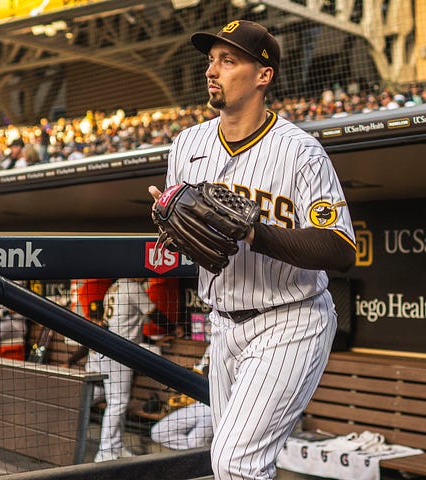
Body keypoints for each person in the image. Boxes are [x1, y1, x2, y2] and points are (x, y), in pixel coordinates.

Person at [148, 20, 356, 479]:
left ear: (263, 75)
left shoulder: (301, 151)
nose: (212, 70)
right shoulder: (187, 144)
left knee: (235, 462)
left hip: (291, 320)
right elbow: (194, 243)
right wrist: (172, 222)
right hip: (222, 326)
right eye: (210, 61)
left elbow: (341, 250)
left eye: (228, 60)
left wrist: (254, 232)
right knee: (234, 467)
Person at [85, 277, 175, 463]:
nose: (146, 275)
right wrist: (175, 329)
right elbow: (154, 314)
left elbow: (125, 325)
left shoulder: (114, 286)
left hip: (110, 347)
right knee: (117, 403)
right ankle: (105, 451)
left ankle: (115, 446)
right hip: (118, 351)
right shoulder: (132, 287)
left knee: (116, 401)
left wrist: (152, 342)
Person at [150, 348, 212, 451]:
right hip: (200, 403)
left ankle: (200, 452)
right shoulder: (211, 346)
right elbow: (202, 373)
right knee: (158, 433)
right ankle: (202, 452)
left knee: (195, 442)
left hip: (219, 407)